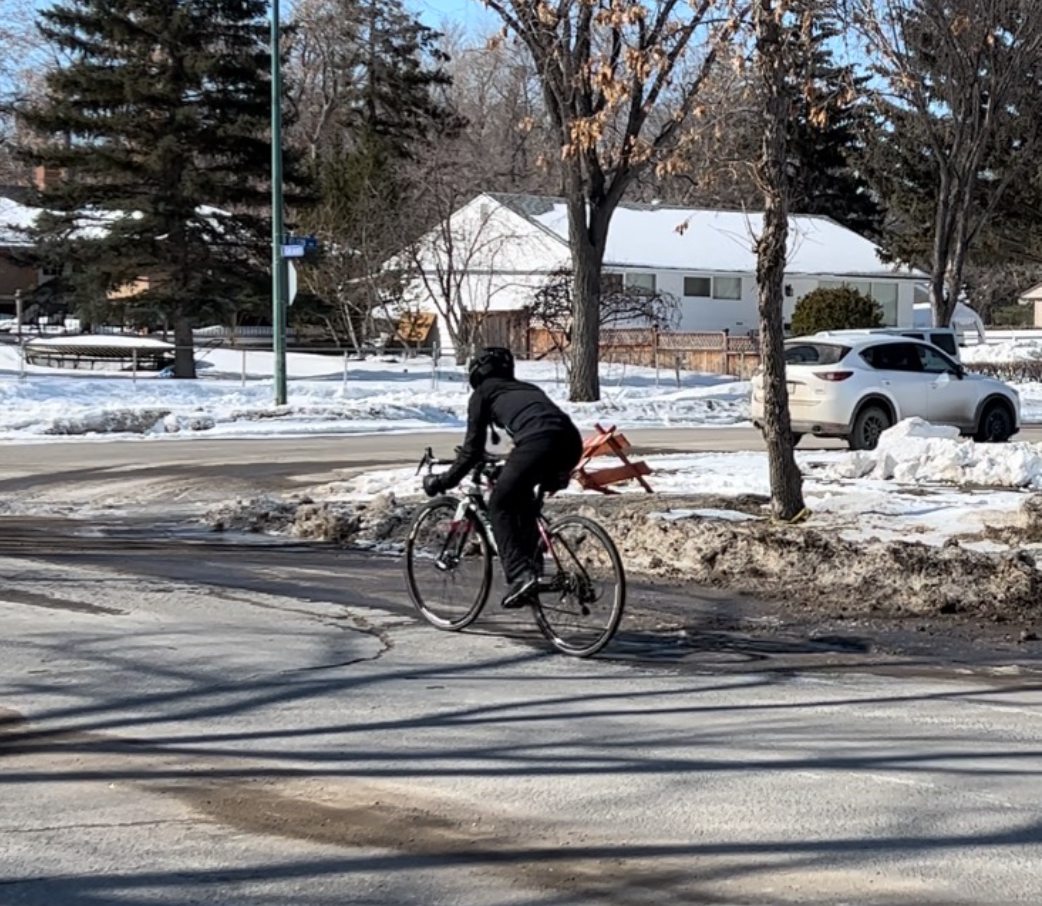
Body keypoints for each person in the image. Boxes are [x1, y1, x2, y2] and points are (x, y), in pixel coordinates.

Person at [423, 347, 583, 608]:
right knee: (522, 504)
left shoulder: (482, 394)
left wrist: (443, 481)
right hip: (570, 442)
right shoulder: (526, 389)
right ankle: (537, 572)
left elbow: (472, 450)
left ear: (477, 372)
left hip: (537, 443)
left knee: (499, 504)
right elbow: (525, 429)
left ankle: (521, 575)